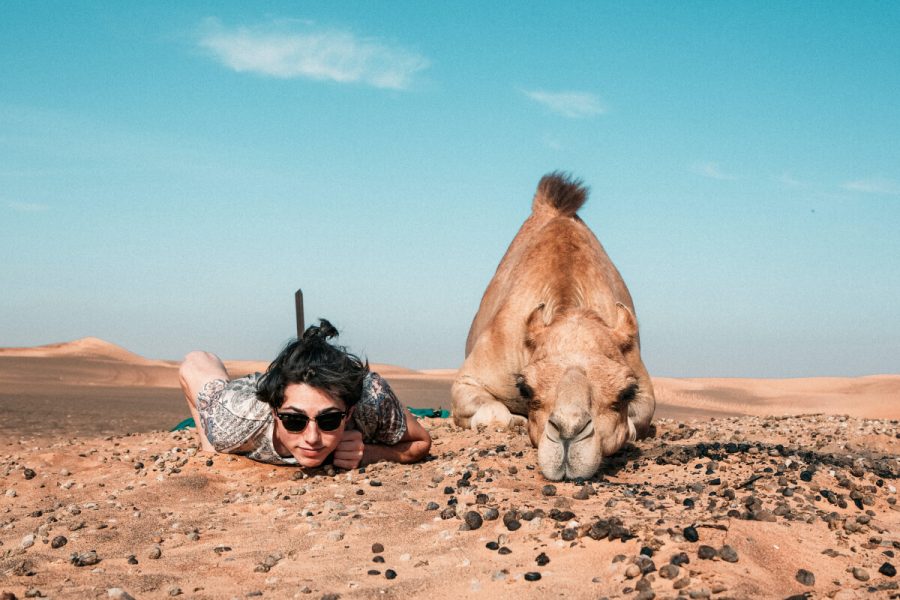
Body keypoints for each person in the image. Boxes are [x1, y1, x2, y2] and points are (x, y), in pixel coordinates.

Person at [178, 319, 431, 469]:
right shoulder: (234, 419)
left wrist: (370, 453)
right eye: (294, 421)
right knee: (216, 448)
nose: (312, 438)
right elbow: (193, 364)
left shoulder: (372, 400)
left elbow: (421, 442)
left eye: (329, 420)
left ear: (349, 412)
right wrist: (211, 448)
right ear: (275, 412)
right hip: (246, 400)